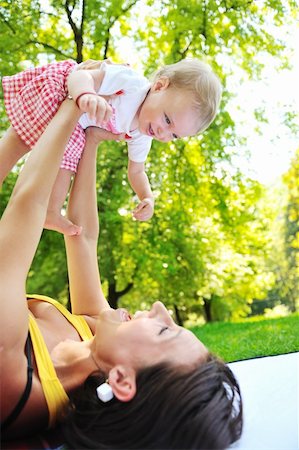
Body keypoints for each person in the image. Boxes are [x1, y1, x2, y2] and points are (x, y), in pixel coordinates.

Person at [0, 100, 242, 449]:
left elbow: (26, 206)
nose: (160, 307)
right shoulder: (92, 335)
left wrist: (69, 108)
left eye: (164, 330)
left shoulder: (17, 383)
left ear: (122, 380)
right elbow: (81, 236)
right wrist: (91, 141)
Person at [0, 57, 222, 235]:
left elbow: (137, 170)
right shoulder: (131, 83)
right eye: (167, 119)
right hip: (63, 93)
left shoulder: (141, 134)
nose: (163, 133)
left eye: (174, 135)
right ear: (159, 86)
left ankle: (50, 210)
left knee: (67, 164)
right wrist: (86, 94)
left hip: (76, 125)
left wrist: (147, 197)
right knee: (18, 141)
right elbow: (80, 76)